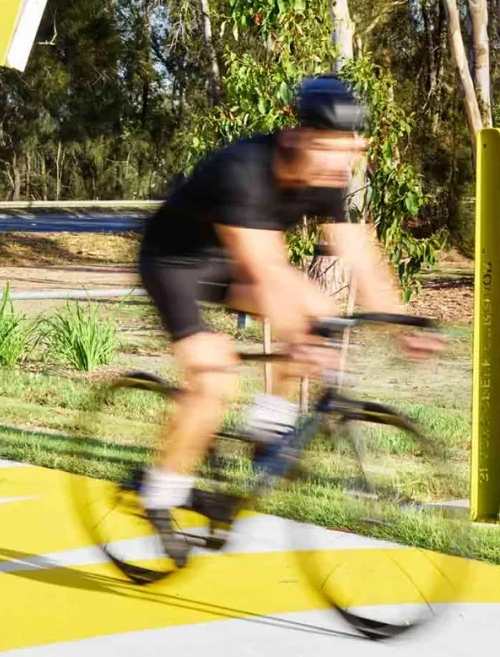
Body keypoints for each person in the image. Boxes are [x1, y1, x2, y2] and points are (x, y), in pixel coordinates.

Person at [136, 75, 442, 565]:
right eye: (328, 148)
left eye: (348, 151)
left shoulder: (328, 175)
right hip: (173, 264)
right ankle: (160, 492)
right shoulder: (243, 170)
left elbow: (359, 255)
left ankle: (266, 426)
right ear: (295, 137)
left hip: (230, 262)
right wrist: (301, 340)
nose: (338, 163)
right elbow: (267, 272)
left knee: (321, 312)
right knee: (215, 380)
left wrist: (400, 322)